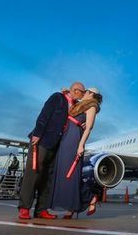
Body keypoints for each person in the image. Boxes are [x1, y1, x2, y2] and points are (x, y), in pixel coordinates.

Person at [18, 81, 86, 220]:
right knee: (33, 174)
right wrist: (37, 133)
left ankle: (41, 209)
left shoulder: (75, 106)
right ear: (75, 90)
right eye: (82, 92)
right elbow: (44, 114)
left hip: (58, 145)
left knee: (49, 178)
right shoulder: (57, 97)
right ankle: (24, 207)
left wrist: (82, 123)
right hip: (42, 140)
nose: (83, 95)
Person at [47, 87, 103, 218]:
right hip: (66, 138)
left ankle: (88, 198)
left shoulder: (92, 106)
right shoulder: (79, 105)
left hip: (74, 140)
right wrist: (67, 92)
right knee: (63, 174)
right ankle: (73, 208)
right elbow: (71, 98)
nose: (84, 93)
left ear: (91, 94)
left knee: (71, 174)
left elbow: (89, 128)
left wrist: (81, 145)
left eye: (86, 91)